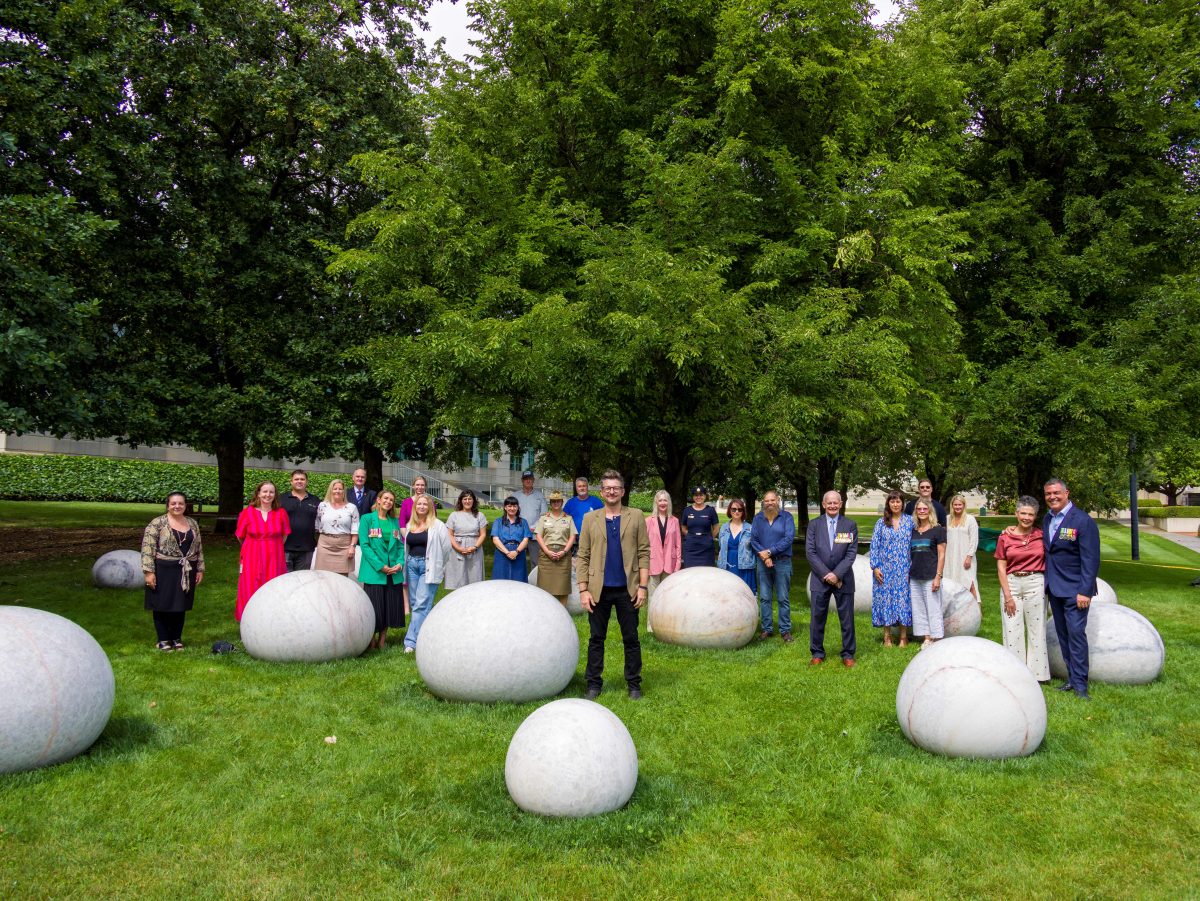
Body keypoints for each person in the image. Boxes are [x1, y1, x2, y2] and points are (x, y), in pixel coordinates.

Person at [577, 469, 650, 700]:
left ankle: (634, 685)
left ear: (622, 491)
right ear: (602, 491)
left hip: (628, 589)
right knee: (596, 639)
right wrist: (583, 589)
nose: (611, 491)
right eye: (607, 488)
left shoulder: (636, 515)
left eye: (615, 488)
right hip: (598, 590)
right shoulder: (591, 518)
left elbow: (644, 552)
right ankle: (593, 684)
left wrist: (643, 586)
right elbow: (583, 555)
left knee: (631, 639)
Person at [1043, 477, 1101, 699]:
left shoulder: (1082, 520)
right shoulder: (1048, 519)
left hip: (1076, 591)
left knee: (1076, 636)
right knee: (1064, 636)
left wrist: (1085, 591)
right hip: (1055, 589)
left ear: (1066, 493)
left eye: (1056, 492)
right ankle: (1071, 678)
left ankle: (1081, 686)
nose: (1052, 497)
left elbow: (1091, 559)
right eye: (1048, 494)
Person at [994, 495, 1050, 681]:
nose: (1026, 517)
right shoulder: (1005, 536)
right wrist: (1008, 596)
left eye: (1031, 514)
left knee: (1036, 628)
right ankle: (1016, 672)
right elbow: (1001, 566)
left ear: (1035, 516)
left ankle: (1038, 674)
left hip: (1035, 582)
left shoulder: (1042, 535)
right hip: (1011, 583)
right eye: (1023, 513)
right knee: (1012, 627)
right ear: (1017, 514)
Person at [141, 491, 205, 651]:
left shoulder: (192, 523)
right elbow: (147, 548)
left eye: (180, 503)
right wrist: (149, 572)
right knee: (162, 605)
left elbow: (199, 547)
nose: (177, 506)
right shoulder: (157, 523)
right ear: (168, 505)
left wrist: (200, 569)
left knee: (180, 605)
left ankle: (176, 638)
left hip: (186, 570)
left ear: (185, 505)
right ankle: (163, 639)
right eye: (173, 503)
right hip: (163, 570)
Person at [805, 490, 858, 667]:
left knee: (847, 618)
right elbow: (810, 553)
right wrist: (826, 575)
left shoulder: (850, 525)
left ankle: (848, 654)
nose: (833, 505)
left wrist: (837, 574)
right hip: (820, 580)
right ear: (823, 504)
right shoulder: (814, 525)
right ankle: (817, 653)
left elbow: (850, 554)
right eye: (829, 503)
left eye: (836, 503)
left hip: (844, 579)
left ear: (841, 504)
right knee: (817, 618)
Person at [234, 481, 290, 621]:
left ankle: (272, 620)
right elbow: (240, 536)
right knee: (250, 586)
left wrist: (272, 545)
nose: (268, 495)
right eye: (264, 491)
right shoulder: (247, 513)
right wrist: (254, 545)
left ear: (275, 495)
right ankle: (249, 620)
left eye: (271, 492)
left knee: (273, 586)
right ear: (258, 493)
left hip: (274, 556)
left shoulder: (281, 513)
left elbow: (284, 535)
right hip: (252, 555)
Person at [358, 489, 406, 651]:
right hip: (375, 572)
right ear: (378, 500)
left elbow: (399, 545)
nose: (388, 502)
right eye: (385, 498)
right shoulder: (367, 519)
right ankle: (370, 640)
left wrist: (400, 563)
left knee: (388, 607)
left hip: (393, 572)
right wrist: (380, 566)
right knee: (373, 607)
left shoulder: (394, 522)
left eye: (391, 500)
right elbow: (364, 545)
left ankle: (382, 640)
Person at [402, 494, 451, 654]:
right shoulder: (411, 524)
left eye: (425, 504)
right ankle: (428, 635)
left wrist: (437, 565)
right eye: (419, 504)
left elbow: (446, 549)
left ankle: (410, 642)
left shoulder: (438, 525)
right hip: (412, 565)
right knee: (417, 603)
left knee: (421, 604)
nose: (422, 506)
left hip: (428, 566)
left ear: (430, 507)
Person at [750, 490, 796, 642]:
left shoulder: (787, 517)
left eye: (772, 500)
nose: (769, 503)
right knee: (764, 597)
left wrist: (769, 552)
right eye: (766, 500)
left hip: (782, 562)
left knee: (783, 597)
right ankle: (766, 629)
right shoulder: (758, 518)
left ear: (778, 500)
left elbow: (788, 539)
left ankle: (785, 630)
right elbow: (754, 540)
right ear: (763, 502)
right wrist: (764, 557)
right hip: (763, 564)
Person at [869, 491, 914, 647]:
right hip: (884, 569)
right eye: (892, 501)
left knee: (903, 601)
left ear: (903, 504)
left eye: (898, 501)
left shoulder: (910, 522)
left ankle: (903, 636)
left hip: (904, 569)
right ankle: (887, 636)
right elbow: (874, 546)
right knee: (886, 601)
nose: (895, 504)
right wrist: (875, 567)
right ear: (888, 504)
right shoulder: (881, 523)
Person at [909, 499, 946, 648]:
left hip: (931, 575)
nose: (922, 511)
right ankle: (926, 638)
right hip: (915, 576)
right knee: (919, 609)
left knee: (933, 608)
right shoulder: (913, 531)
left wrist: (938, 576)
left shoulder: (938, 530)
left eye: (925, 509)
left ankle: (936, 639)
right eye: (919, 509)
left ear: (930, 511)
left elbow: (942, 555)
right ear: (916, 512)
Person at [534, 490, 577, 607]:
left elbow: (572, 536)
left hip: (563, 556)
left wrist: (564, 552)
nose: (556, 503)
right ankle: (546, 612)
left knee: (563, 587)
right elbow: (538, 536)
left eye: (558, 501)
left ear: (562, 502)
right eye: (553, 501)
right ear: (550, 503)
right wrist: (547, 551)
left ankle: (562, 613)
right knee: (545, 586)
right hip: (546, 555)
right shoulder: (544, 518)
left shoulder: (568, 518)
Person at [313, 479, 360, 575]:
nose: (337, 491)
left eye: (340, 489)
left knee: (342, 578)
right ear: (331, 490)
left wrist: (352, 546)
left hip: (344, 546)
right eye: (335, 489)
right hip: (324, 545)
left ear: (344, 491)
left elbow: (355, 530)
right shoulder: (322, 506)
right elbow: (317, 526)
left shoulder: (352, 507)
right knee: (322, 576)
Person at [445, 489, 489, 589]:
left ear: (474, 501)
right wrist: (459, 548)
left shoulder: (479, 515)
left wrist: (475, 547)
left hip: (474, 549)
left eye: (470, 499)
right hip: (456, 549)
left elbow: (482, 534)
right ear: (461, 500)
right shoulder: (454, 515)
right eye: (465, 499)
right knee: (458, 578)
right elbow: (450, 534)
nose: (467, 501)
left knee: (474, 578)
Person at [279, 469, 319, 571]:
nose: (299, 481)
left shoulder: (315, 500)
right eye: (296, 479)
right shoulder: (281, 499)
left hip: (307, 548)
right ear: (291, 481)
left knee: (303, 581)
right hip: (285, 547)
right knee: (285, 579)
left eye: (302, 479)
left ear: (307, 482)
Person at [646, 489, 681, 599]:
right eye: (660, 500)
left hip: (670, 563)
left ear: (668, 502)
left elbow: (678, 544)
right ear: (656, 502)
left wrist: (677, 565)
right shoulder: (648, 521)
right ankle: (652, 617)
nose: (662, 503)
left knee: (668, 598)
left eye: (665, 500)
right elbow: (644, 545)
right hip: (653, 564)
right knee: (653, 597)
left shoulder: (674, 521)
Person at [945, 494, 980, 600]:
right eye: (955, 505)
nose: (957, 507)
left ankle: (977, 612)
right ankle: (956, 613)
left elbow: (974, 540)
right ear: (952, 506)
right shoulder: (947, 519)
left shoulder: (970, 519)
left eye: (960, 504)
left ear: (964, 505)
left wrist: (969, 556)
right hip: (950, 557)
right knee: (951, 584)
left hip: (966, 556)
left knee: (970, 583)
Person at [717, 498, 756, 592]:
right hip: (727, 564)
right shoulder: (723, 528)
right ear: (730, 510)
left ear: (743, 511)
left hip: (744, 566)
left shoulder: (749, 529)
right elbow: (720, 546)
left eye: (740, 509)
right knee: (727, 593)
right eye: (734, 509)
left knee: (744, 593)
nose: (736, 512)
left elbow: (754, 548)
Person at [492, 496, 532, 582]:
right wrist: (507, 552)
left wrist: (516, 551)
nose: (512, 508)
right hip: (502, 553)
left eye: (514, 506)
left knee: (519, 579)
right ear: (505, 507)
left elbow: (526, 539)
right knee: (500, 579)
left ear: (518, 508)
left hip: (518, 552)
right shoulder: (498, 522)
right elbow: (495, 539)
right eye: (509, 506)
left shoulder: (523, 522)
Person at [680, 486, 719, 567]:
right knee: (690, 573)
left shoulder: (710, 510)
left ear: (705, 496)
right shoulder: (687, 510)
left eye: (701, 495)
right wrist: (690, 536)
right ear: (693, 497)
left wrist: (709, 538)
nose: (698, 497)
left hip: (706, 548)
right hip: (691, 548)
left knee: (706, 573)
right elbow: (683, 527)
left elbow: (716, 528)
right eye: (696, 495)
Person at [516, 470, 548, 567]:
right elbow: (510, 514)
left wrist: (535, 527)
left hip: (535, 535)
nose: (528, 481)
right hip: (519, 535)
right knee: (517, 561)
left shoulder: (540, 496)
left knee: (536, 562)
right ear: (522, 480)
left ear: (533, 480)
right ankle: (518, 581)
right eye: (526, 479)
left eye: (530, 479)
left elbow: (544, 515)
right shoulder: (515, 496)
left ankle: (534, 582)